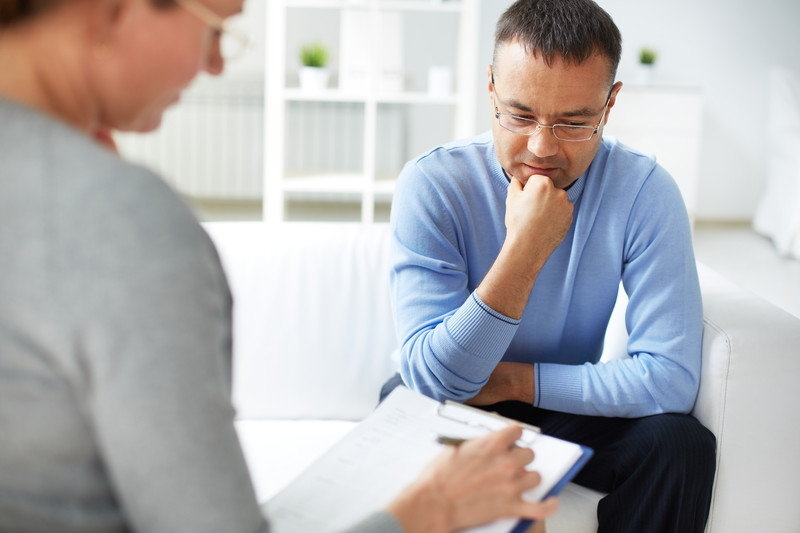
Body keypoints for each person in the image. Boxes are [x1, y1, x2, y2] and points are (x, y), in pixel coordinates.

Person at [0, 0, 558, 532]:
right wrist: (432, 507)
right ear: (114, 10)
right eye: (215, 28)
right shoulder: (123, 221)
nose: (215, 65)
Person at [380, 0, 717, 532]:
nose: (541, 148)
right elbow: (434, 380)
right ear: (491, 87)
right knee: (405, 404)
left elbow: (670, 379)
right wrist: (526, 249)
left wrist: (516, 382)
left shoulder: (645, 192)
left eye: (573, 122)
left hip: (555, 399)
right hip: (450, 398)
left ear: (609, 104)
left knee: (679, 444)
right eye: (520, 115)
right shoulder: (434, 184)